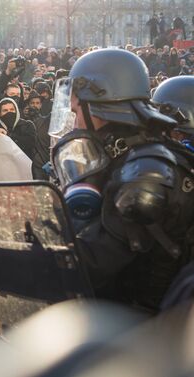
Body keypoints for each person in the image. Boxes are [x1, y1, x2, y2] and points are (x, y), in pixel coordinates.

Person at [50, 48, 194, 312]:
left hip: (150, 332)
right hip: (119, 319)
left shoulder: (146, 172)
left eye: (76, 112)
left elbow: (92, 262)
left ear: (97, 106)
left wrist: (6, 257)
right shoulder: (124, 153)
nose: (74, 124)